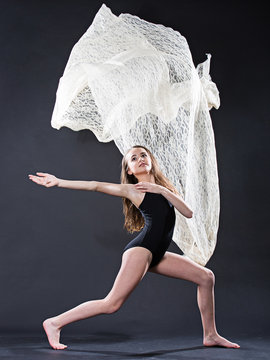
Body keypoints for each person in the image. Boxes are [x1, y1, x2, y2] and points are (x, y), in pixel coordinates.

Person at [28, 145, 240, 350]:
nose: (140, 159)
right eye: (134, 158)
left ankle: (210, 335)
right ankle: (55, 322)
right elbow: (95, 185)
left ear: (151, 161)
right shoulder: (133, 190)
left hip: (156, 253)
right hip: (141, 250)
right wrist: (58, 182)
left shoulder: (163, 190)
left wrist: (160, 190)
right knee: (111, 304)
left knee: (206, 277)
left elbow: (188, 212)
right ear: (129, 170)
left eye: (143, 155)